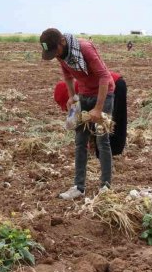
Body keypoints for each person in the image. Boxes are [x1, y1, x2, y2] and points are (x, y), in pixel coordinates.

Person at [40, 28, 115, 199]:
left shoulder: (85, 48)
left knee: (102, 141)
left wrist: (98, 108)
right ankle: (79, 187)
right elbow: (67, 76)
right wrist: (73, 97)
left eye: (55, 51)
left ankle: (105, 188)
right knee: (80, 141)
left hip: (104, 94)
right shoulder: (61, 54)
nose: (55, 55)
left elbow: (104, 76)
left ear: (62, 42)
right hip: (84, 95)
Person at [53, 71, 127, 156]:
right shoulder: (75, 90)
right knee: (115, 119)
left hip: (112, 85)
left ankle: (110, 152)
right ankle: (111, 151)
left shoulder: (78, 94)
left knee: (108, 121)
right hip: (116, 83)